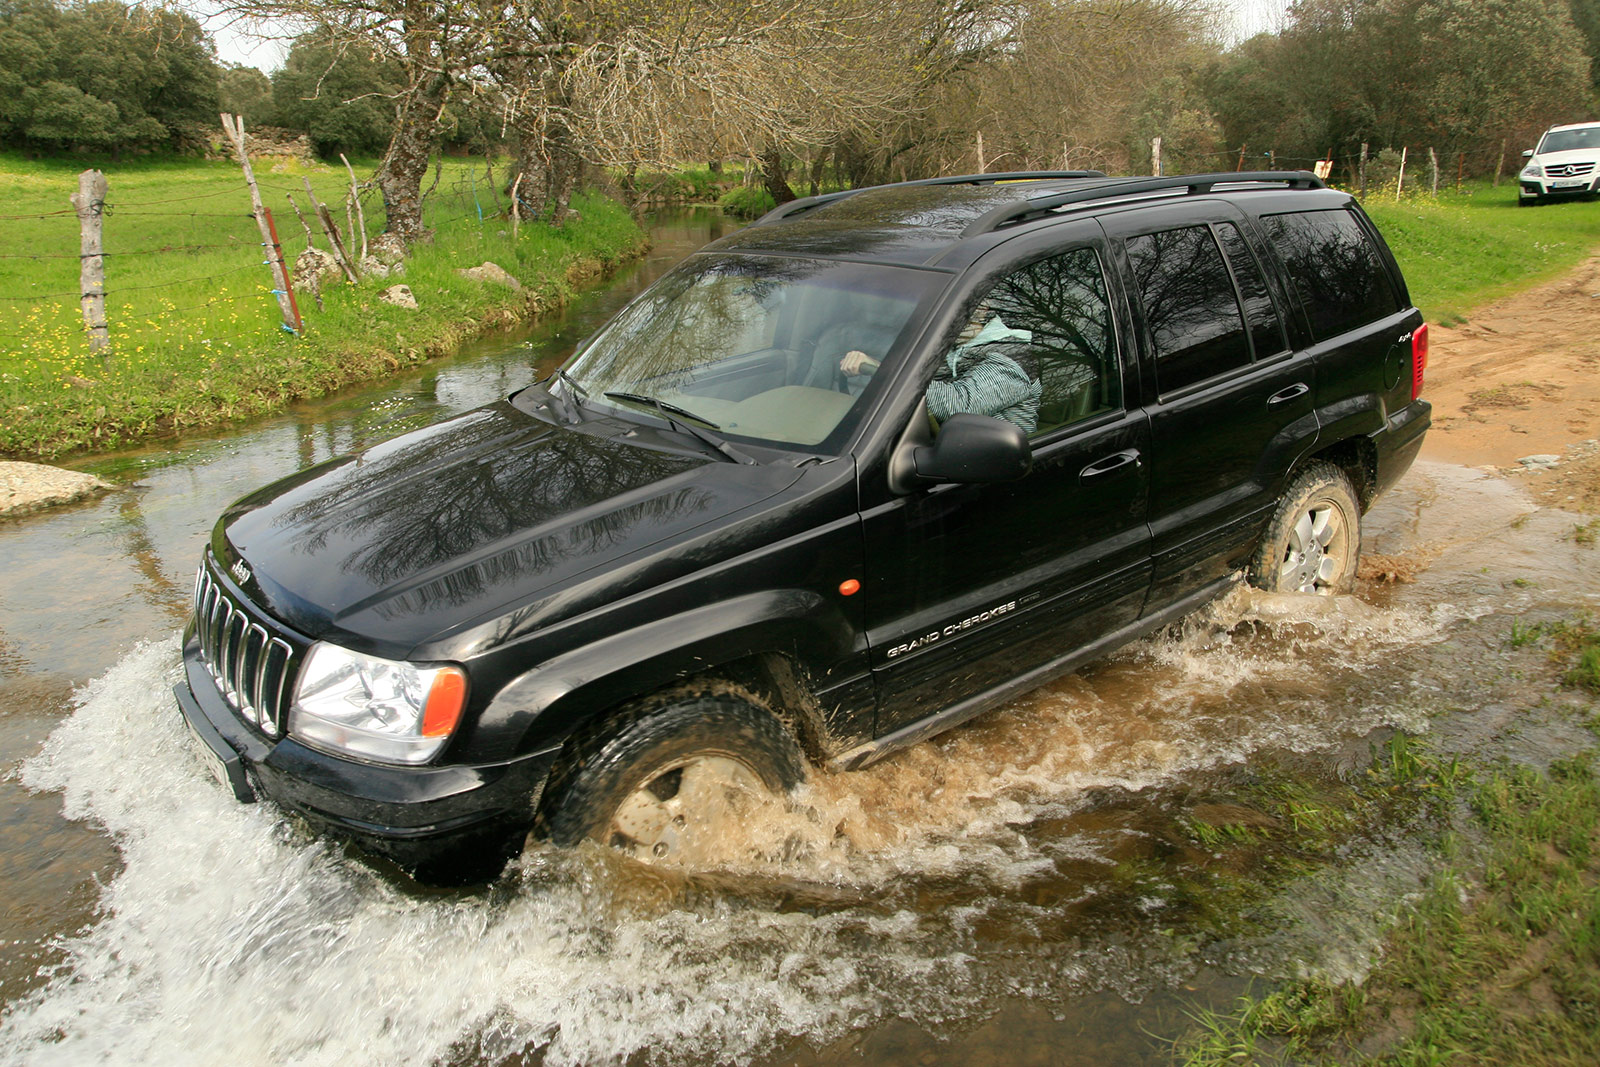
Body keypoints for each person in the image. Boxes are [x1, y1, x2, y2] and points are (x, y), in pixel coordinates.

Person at [839, 304, 1041, 433]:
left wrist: (880, 369)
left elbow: (959, 406)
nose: (943, 321)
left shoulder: (1013, 351)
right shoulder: (947, 347)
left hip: (999, 466)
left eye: (956, 311)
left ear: (983, 309)